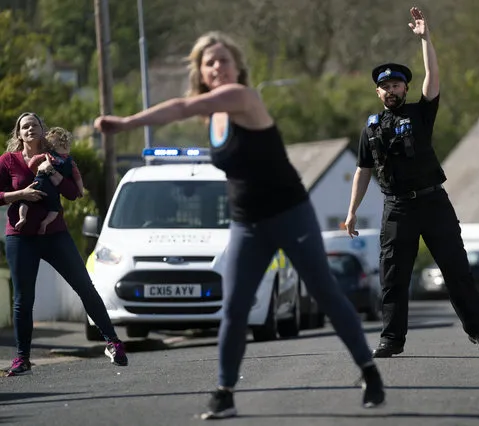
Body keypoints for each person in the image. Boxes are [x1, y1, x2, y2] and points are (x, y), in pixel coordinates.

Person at [93, 31, 385, 418]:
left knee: (326, 293)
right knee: (233, 308)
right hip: (248, 223)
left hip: (290, 213)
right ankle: (224, 391)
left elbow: (180, 105)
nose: (217, 67)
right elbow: (195, 116)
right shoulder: (213, 114)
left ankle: (369, 372)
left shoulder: (243, 97)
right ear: (200, 71)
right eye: (209, 62)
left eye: (223, 59)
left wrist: (126, 122)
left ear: (237, 66)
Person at [344, 7, 479, 359]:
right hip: (397, 208)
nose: (391, 90)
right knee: (393, 278)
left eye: (396, 84)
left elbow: (433, 76)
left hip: (433, 203)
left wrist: (426, 38)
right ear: (378, 92)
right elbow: (362, 170)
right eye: (385, 86)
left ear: (406, 87)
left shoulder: (420, 112)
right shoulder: (371, 128)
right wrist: (352, 212)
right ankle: (391, 340)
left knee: (457, 271)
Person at [0, 112, 128, 377]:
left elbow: (72, 193)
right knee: (23, 299)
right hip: (21, 237)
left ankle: (113, 342)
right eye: (25, 127)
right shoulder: (7, 161)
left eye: (34, 125)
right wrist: (20, 195)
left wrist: (52, 173)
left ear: (42, 129)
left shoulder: (55, 157)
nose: (30, 129)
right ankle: (22, 358)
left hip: (55, 234)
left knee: (85, 286)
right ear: (18, 134)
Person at [16, 126, 84, 234]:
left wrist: (34, 169)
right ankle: (45, 223)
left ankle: (22, 217)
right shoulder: (70, 162)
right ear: (66, 146)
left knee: (24, 201)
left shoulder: (46, 155)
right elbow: (77, 177)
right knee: (54, 209)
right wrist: (81, 190)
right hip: (52, 190)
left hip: (39, 183)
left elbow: (31, 164)